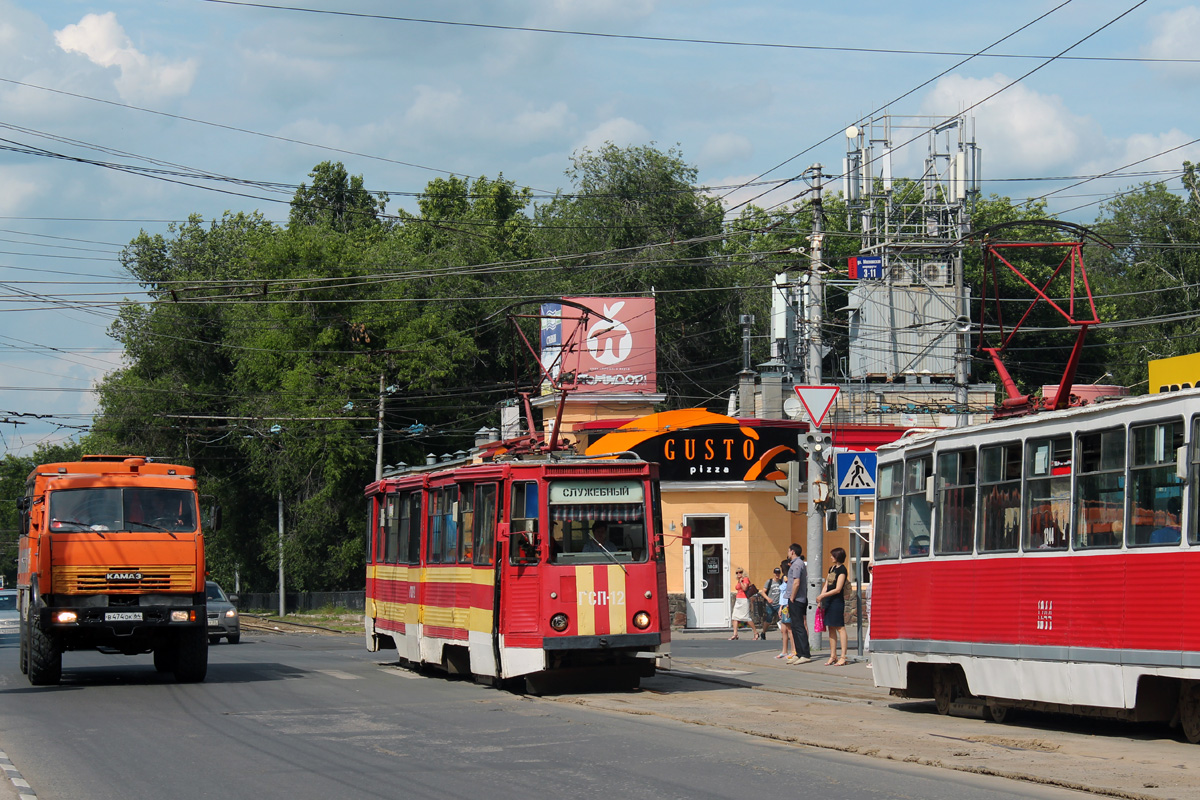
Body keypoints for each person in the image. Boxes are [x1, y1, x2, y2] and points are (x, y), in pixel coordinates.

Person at [817, 546, 849, 666]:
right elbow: (827, 584)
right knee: (830, 627)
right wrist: (821, 596)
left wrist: (823, 596)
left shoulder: (842, 570)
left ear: (837, 557)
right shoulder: (831, 568)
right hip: (828, 600)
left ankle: (843, 656)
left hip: (837, 601)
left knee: (840, 627)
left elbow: (838, 589)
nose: (831, 557)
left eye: (832, 555)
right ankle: (833, 655)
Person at [786, 544, 811, 663]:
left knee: (799, 626)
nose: (788, 552)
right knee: (795, 626)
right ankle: (799, 653)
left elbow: (796, 582)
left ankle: (805, 653)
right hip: (796, 599)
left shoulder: (797, 564)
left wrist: (792, 597)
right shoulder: (798, 563)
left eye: (789, 550)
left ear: (792, 552)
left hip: (797, 599)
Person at [773, 561, 795, 659]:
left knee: (790, 629)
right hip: (783, 605)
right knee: (783, 630)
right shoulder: (783, 578)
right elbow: (782, 594)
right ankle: (784, 650)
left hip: (787, 605)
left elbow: (789, 591)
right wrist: (780, 606)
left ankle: (793, 650)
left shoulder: (790, 578)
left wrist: (786, 604)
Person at [729, 568, 758, 640]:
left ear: (743, 572)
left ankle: (756, 633)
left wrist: (741, 582)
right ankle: (735, 634)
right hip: (738, 600)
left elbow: (745, 588)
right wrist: (739, 581)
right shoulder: (739, 580)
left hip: (744, 600)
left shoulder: (745, 579)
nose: (739, 574)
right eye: (737, 572)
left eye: (740, 572)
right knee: (734, 617)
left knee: (746, 618)